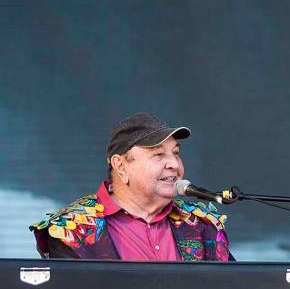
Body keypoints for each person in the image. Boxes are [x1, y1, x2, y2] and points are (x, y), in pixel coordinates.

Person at [31, 112, 232, 261]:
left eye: (176, 153)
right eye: (158, 154)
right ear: (121, 166)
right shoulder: (72, 229)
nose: (174, 164)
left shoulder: (201, 223)